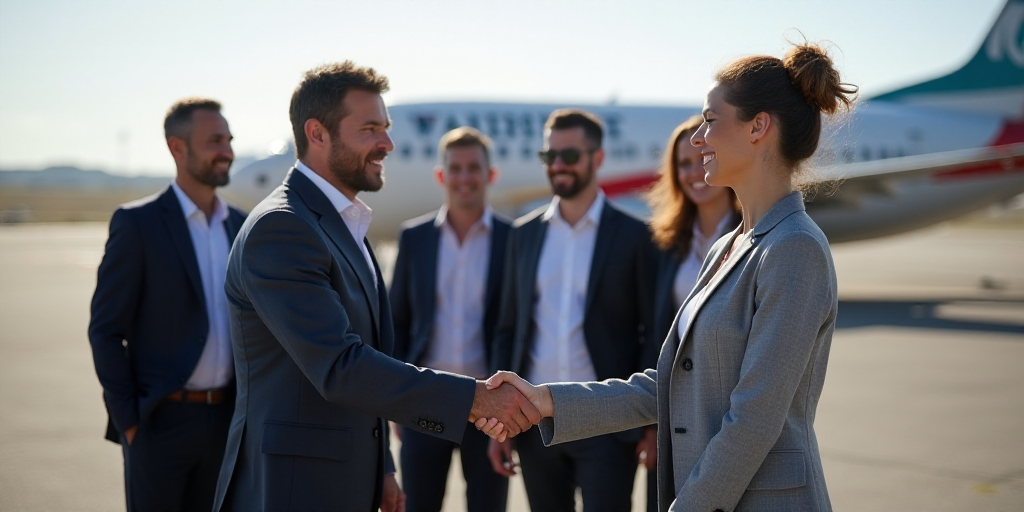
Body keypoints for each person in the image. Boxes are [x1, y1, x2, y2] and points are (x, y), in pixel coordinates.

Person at [480, 42, 858, 511]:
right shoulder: (730, 245)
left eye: (710, 120)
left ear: (759, 126)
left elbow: (755, 419)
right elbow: (669, 386)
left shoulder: (794, 248)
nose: (697, 138)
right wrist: (545, 401)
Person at [211, 61, 540, 512]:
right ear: (318, 134)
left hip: (343, 477)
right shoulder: (283, 228)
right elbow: (341, 366)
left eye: (384, 128)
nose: (387, 143)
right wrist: (476, 398)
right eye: (369, 130)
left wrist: (381, 466)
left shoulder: (344, 226)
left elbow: (372, 354)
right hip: (295, 487)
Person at [488, 108, 658, 512]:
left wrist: (652, 424)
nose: (558, 166)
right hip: (533, 423)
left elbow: (652, 333)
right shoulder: (523, 235)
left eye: (570, 156)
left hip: (609, 424)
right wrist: (501, 420)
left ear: (597, 159)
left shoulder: (636, 235)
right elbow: (508, 328)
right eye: (550, 157)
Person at [88, 98, 246, 511]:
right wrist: (130, 421)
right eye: (214, 140)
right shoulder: (137, 224)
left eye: (229, 140)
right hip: (159, 424)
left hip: (228, 421)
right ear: (178, 148)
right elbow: (106, 329)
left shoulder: (242, 226)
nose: (227, 150)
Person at [389, 126, 512, 512]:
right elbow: (399, 322)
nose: (464, 177)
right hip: (426, 399)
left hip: (491, 405)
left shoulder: (516, 239)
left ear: (490, 175)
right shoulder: (414, 238)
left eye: (473, 167)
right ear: (441, 176)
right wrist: (395, 398)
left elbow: (518, 326)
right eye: (455, 168)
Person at [639, 114, 742, 512]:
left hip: (729, 413)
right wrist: (650, 426)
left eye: (701, 158)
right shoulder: (665, 244)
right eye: (682, 163)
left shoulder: (752, 234)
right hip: (674, 417)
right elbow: (654, 335)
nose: (693, 172)